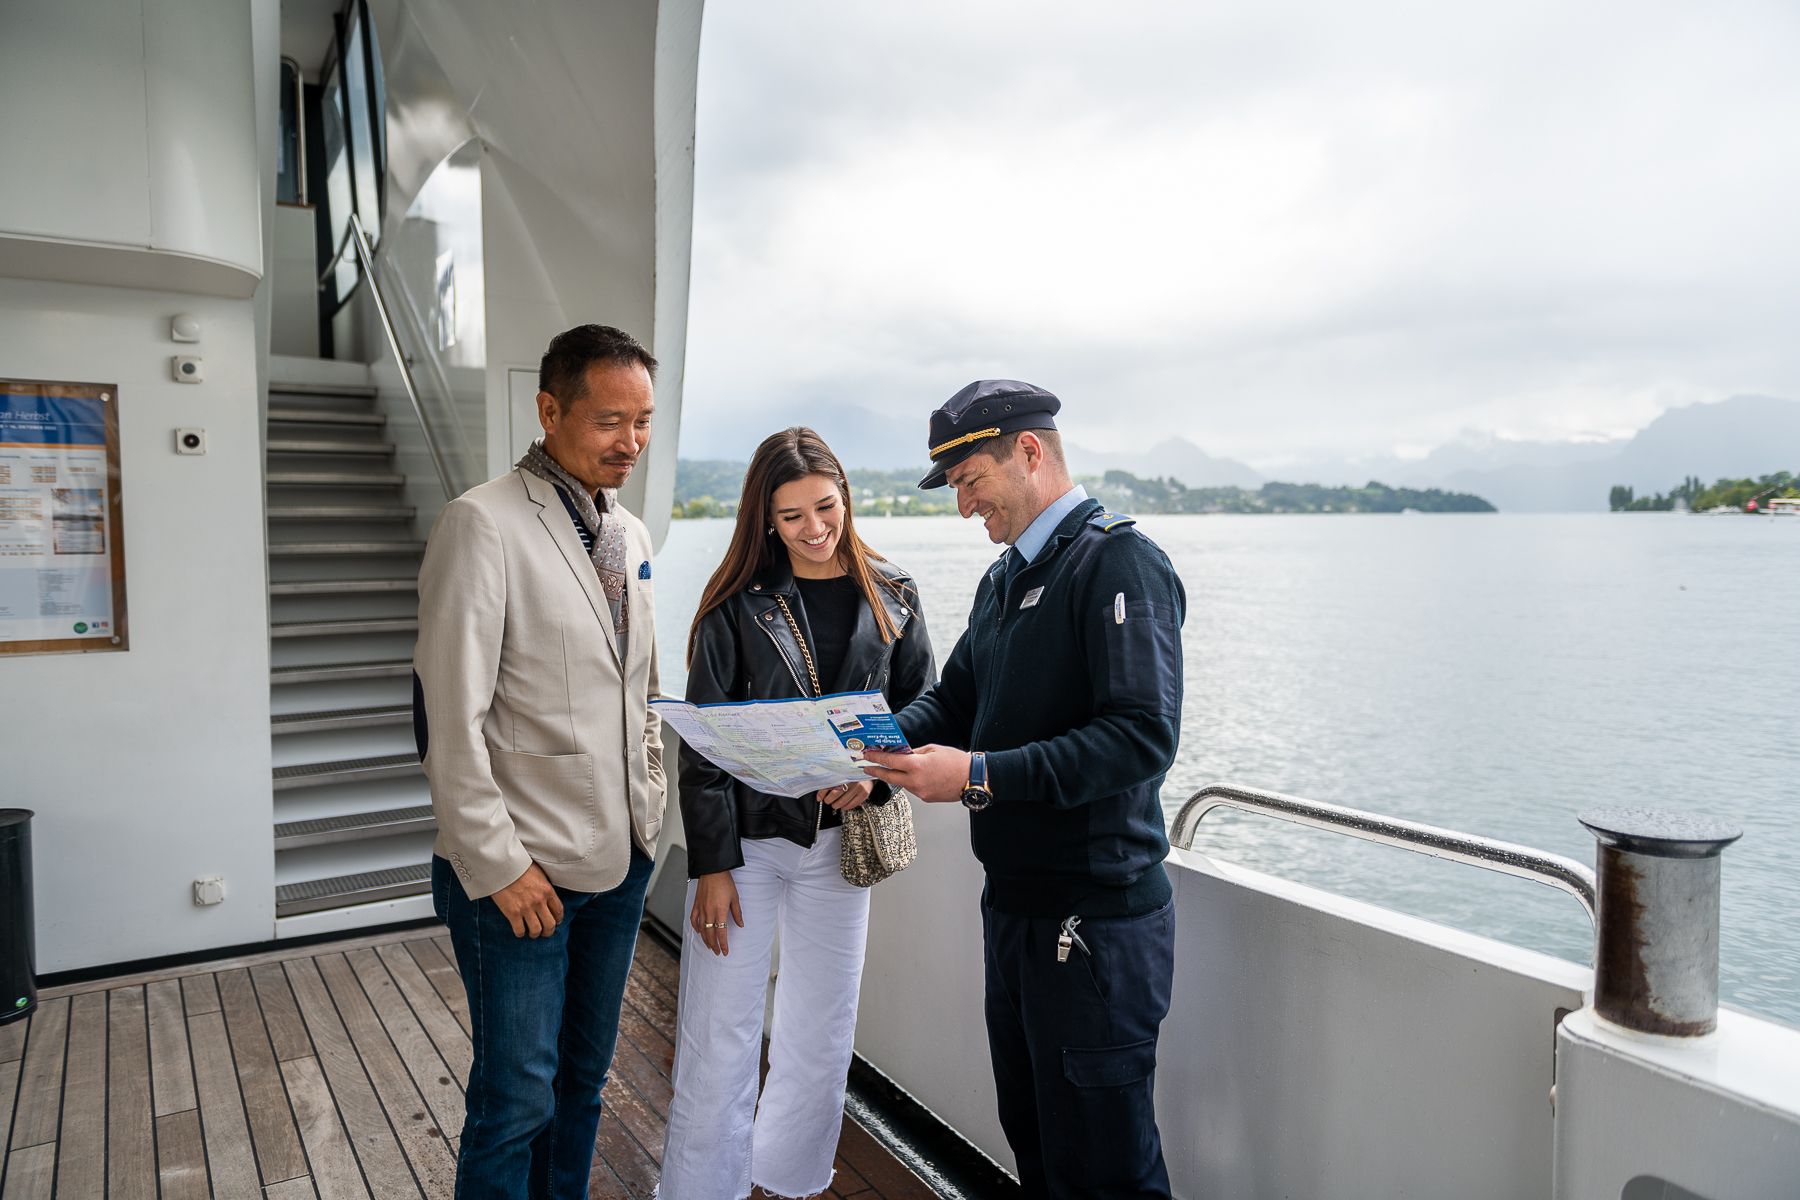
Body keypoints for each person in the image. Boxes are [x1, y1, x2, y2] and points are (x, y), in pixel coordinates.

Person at [862, 380, 1187, 1199]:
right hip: (1014, 910)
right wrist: (873, 742)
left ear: (1029, 452)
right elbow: (958, 700)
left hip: (1094, 924)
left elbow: (1140, 737)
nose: (964, 506)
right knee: (1038, 1152)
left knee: (1106, 1172)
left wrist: (973, 775)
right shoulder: (1005, 579)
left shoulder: (1121, 561)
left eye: (971, 480)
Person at [413, 324, 666, 1199]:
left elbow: (642, 693)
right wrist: (498, 864)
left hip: (621, 862)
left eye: (642, 422)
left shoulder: (628, 531)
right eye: (608, 421)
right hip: (522, 876)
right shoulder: (480, 523)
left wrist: (654, 813)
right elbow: (450, 718)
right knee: (515, 1100)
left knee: (584, 1086)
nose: (629, 443)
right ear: (549, 410)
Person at [657, 427, 936, 1200]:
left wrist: (875, 781)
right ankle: (696, 1191)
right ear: (764, 520)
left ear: (845, 496)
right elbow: (704, 745)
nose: (815, 529)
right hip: (744, 849)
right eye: (791, 517)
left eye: (826, 507)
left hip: (839, 853)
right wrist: (711, 865)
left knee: (821, 1033)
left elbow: (925, 710)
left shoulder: (898, 593)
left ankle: (792, 1181)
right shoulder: (733, 607)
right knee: (720, 1032)